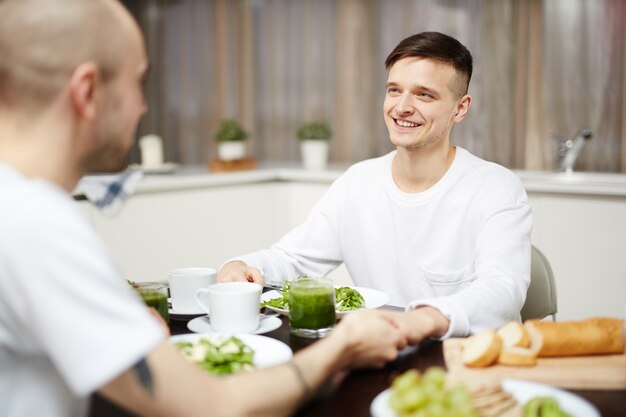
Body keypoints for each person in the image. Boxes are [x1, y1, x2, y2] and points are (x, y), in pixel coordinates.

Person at [0, 1, 408, 417]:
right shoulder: (33, 222)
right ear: (86, 91)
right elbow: (215, 407)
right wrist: (342, 347)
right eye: (139, 82)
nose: (143, 107)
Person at [219, 31, 533, 344]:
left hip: (469, 362)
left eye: (424, 94)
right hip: (382, 354)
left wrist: (424, 320)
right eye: (394, 90)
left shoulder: (496, 189)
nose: (402, 107)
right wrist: (244, 266)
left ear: (460, 108)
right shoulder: (358, 182)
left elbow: (503, 287)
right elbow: (294, 259)